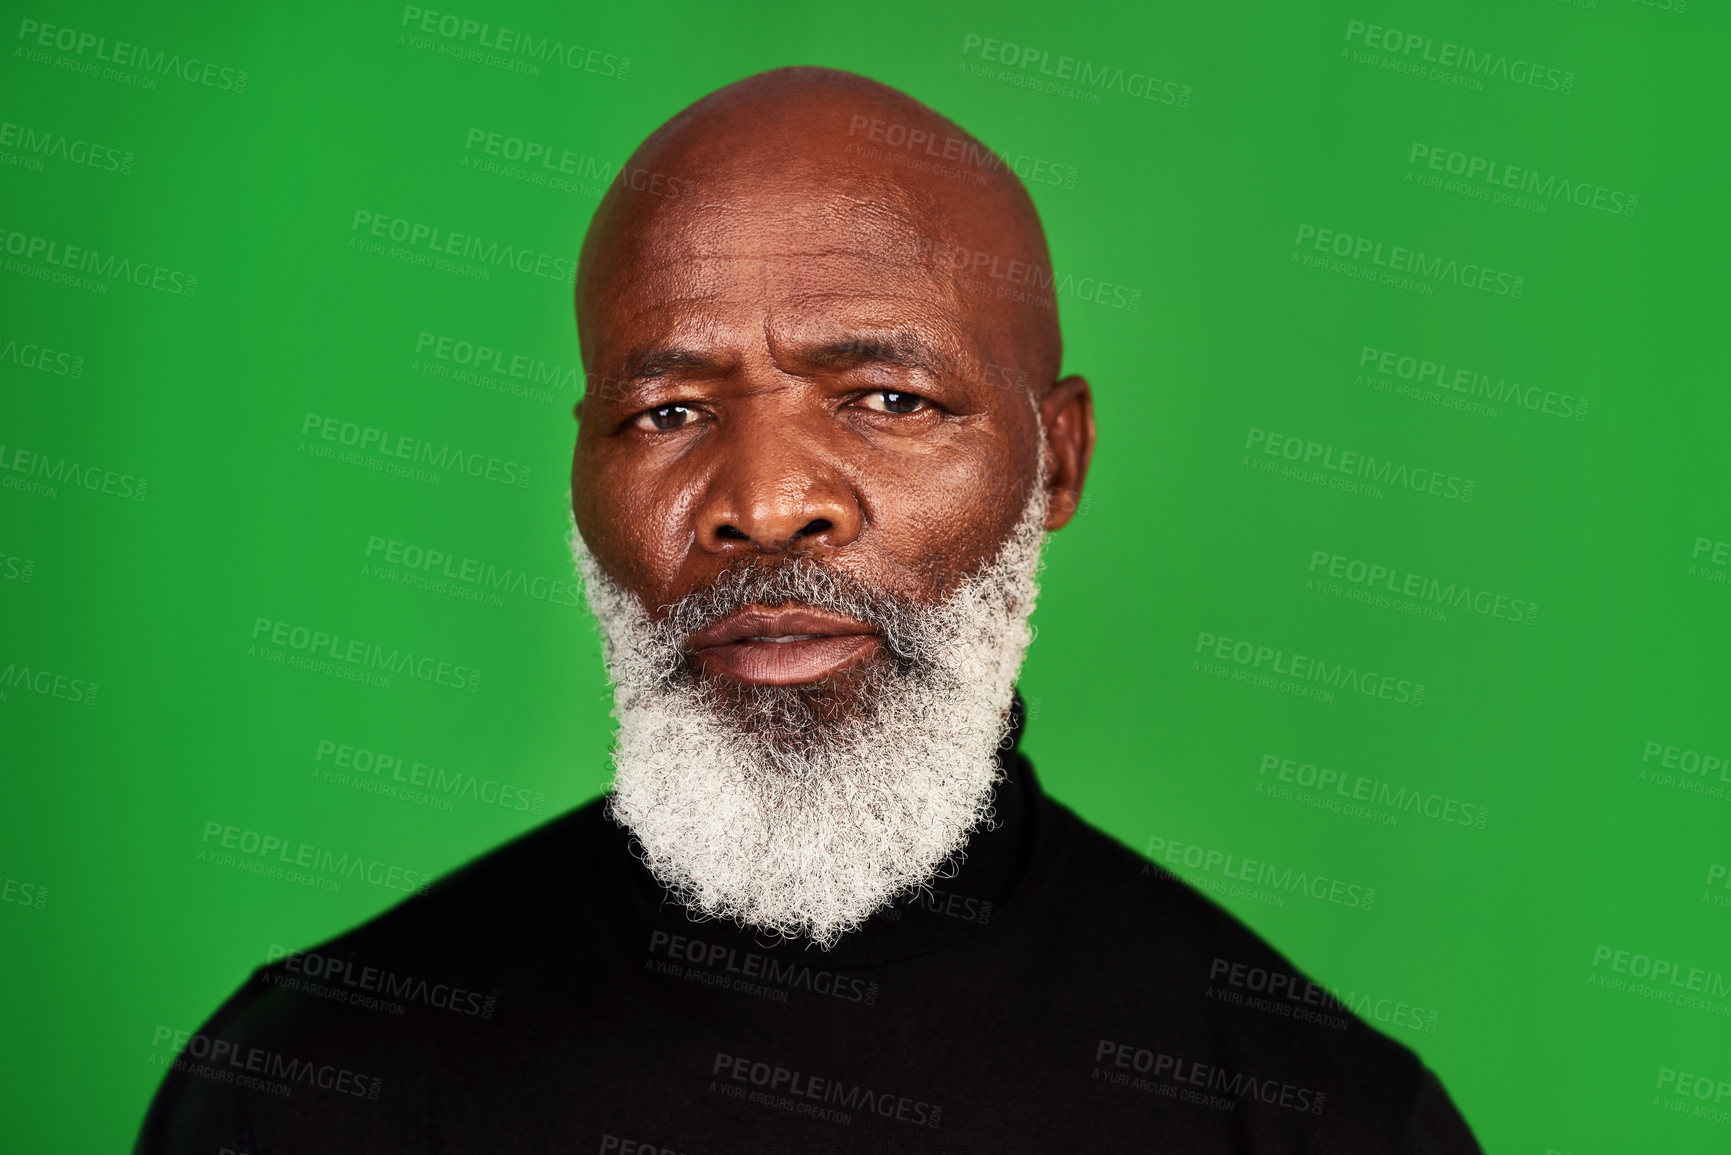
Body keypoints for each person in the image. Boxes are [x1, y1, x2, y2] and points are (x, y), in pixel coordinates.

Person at [139, 66, 1480, 1153]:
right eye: (667, 413)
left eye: (888, 399)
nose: (766, 505)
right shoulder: (303, 1088)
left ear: (1055, 460)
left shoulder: (1323, 1117)